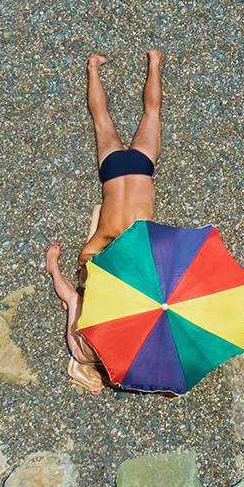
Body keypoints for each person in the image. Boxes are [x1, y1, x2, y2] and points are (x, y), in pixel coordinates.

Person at [43, 50, 164, 392]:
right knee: (102, 119)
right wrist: (59, 266)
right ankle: (93, 67)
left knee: (151, 113)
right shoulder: (106, 236)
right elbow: (84, 261)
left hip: (141, 169)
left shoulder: (140, 241)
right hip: (111, 174)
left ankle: (154, 61)